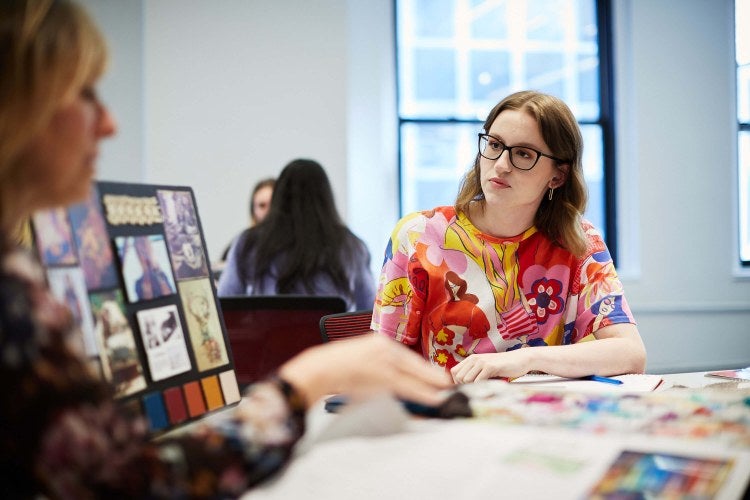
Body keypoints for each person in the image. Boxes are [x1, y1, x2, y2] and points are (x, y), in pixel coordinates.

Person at [0, 1, 452, 497]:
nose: (109, 124)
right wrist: (303, 380)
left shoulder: (246, 246)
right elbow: (131, 480)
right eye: (84, 92)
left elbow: (226, 306)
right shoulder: (350, 247)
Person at [372, 90, 647, 384]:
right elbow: (381, 361)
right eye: (494, 145)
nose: (501, 164)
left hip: (540, 415)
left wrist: (527, 358)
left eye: (524, 154)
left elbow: (631, 352)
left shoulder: (579, 242)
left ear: (557, 176)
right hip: (447, 414)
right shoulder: (419, 236)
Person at [218, 158, 376, 311]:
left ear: (279, 196)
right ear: (326, 197)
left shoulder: (248, 242)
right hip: (334, 338)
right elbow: (370, 311)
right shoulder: (351, 245)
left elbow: (225, 303)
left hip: (268, 336)